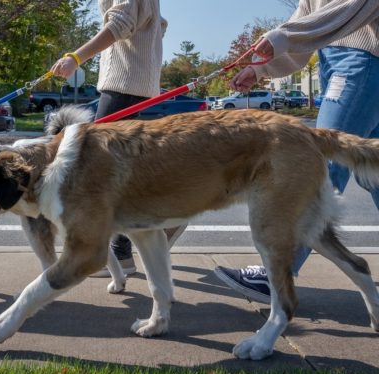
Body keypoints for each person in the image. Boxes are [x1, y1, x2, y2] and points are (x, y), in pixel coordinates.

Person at [215, 0, 379, 304]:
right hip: (336, 59)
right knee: (373, 171)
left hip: (362, 61)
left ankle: (277, 274)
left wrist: (283, 37)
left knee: (318, 163)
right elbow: (310, 19)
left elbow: (344, 12)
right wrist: (260, 67)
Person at [50, 0, 187, 276]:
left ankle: (110, 253)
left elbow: (122, 23)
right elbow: (157, 25)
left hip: (123, 85)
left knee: (94, 170)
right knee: (121, 172)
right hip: (135, 85)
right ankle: (159, 223)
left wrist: (76, 57)